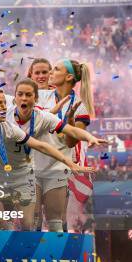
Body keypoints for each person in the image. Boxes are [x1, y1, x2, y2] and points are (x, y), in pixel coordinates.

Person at [0, 87, 94, 230]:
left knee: (11, 224)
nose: (4, 107)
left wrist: (70, 163)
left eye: (5, 102)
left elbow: (40, 145)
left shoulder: (6, 127)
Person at [34, 59, 95, 232]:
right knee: (33, 221)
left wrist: (69, 120)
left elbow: (70, 142)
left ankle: (60, 258)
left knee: (59, 223)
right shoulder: (41, 95)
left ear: (68, 77)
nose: (50, 73)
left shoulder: (80, 106)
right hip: (37, 165)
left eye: (56, 69)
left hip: (62, 168)